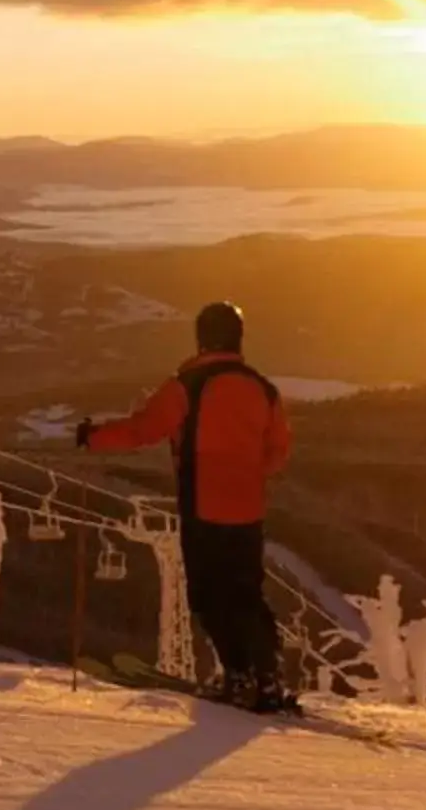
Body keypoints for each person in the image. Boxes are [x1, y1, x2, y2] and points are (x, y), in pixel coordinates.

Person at [75, 300, 297, 711]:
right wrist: (247, 473)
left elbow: (143, 429)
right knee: (247, 594)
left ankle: (238, 676)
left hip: (203, 505)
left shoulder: (187, 384)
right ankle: (267, 678)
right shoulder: (263, 388)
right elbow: (278, 452)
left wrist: (93, 436)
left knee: (209, 595)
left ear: (202, 338)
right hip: (248, 509)